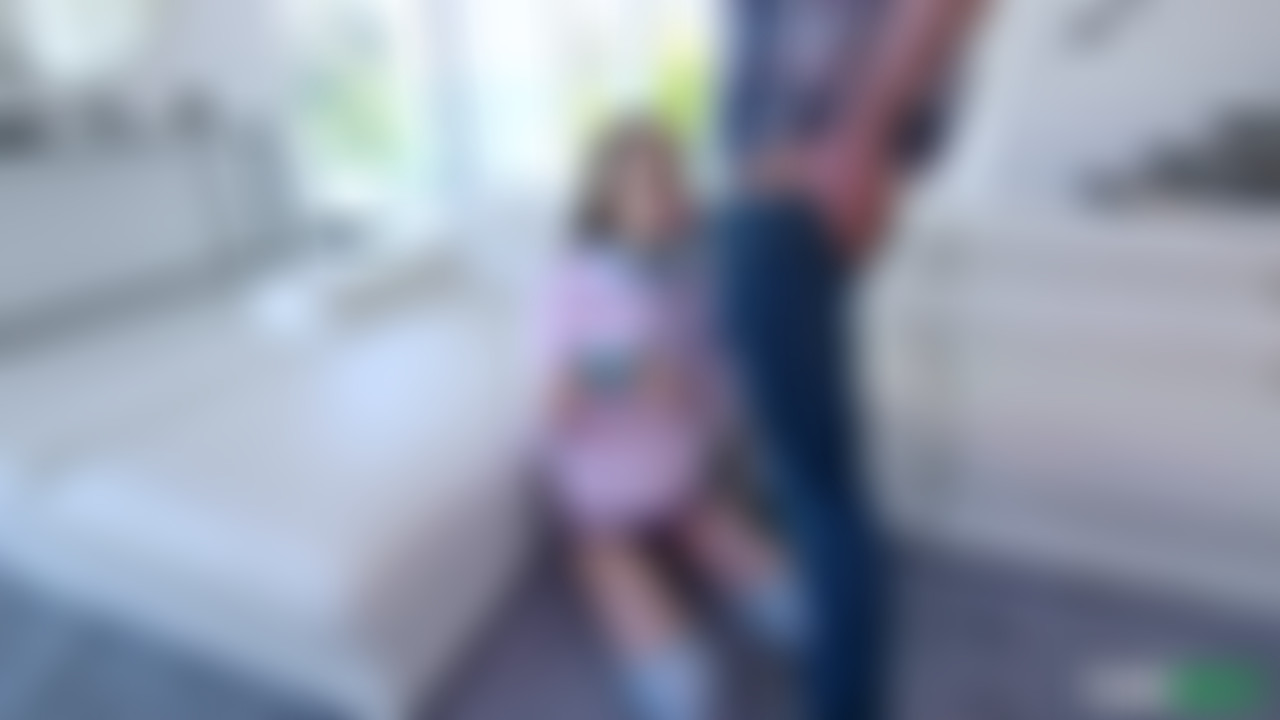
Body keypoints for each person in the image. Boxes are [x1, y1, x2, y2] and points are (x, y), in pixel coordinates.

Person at [717, 1, 989, 718]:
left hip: (792, 180)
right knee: (812, 476)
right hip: (793, 181)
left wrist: (861, 137)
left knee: (821, 488)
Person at [540, 116, 804, 720]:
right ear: (606, 201)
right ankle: (667, 659)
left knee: (787, 598)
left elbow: (723, 386)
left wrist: (706, 387)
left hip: (679, 480)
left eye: (671, 179)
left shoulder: (698, 274)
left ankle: (787, 608)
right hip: (599, 494)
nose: (661, 196)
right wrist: (623, 373)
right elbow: (552, 400)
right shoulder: (569, 279)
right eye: (642, 185)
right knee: (680, 682)